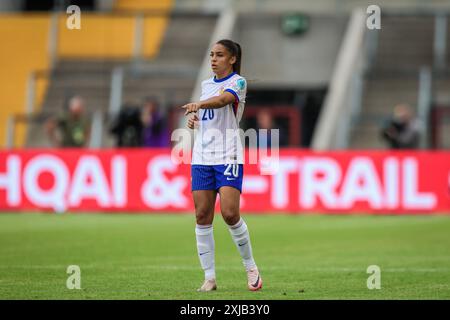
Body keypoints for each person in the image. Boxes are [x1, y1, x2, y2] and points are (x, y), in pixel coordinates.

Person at [181, 39, 262, 292]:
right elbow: (208, 113)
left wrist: (200, 105)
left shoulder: (238, 82)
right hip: (202, 158)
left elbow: (222, 101)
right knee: (202, 216)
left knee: (229, 213)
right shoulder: (206, 85)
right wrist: (196, 120)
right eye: (212, 55)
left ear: (232, 59)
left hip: (228, 155)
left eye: (219, 55)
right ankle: (209, 277)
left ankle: (250, 267)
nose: (213, 59)